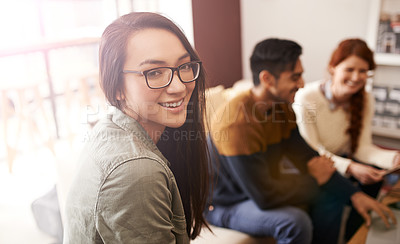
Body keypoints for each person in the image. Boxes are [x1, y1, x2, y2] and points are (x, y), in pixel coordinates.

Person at [205, 38, 396, 244]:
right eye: (295, 77)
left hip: (259, 187)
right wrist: (314, 179)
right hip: (226, 203)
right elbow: (265, 197)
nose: (302, 83)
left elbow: (307, 155)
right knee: (295, 222)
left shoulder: (281, 108)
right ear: (267, 79)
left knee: (331, 196)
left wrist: (354, 195)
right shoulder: (236, 124)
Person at [63, 12, 210, 243]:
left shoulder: (112, 125)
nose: (179, 86)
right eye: (154, 72)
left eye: (184, 66)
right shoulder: (136, 171)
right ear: (117, 87)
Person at [294, 38, 400, 240]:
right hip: (313, 166)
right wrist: (351, 167)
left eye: (363, 72)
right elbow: (313, 150)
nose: (356, 77)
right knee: (331, 197)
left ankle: (357, 236)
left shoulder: (366, 98)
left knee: (375, 178)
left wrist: (393, 159)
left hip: (341, 160)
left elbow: (362, 148)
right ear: (333, 68)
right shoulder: (306, 98)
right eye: (350, 69)